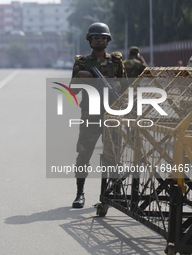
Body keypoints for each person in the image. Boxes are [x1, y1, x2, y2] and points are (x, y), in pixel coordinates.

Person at [70, 22, 125, 208]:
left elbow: (125, 87)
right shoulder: (82, 62)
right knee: (83, 154)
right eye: (96, 37)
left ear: (108, 40)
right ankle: (80, 193)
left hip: (112, 115)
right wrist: (84, 77)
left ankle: (115, 193)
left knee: (114, 155)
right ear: (90, 40)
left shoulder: (116, 61)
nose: (99, 39)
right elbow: (73, 90)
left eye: (103, 37)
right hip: (90, 115)